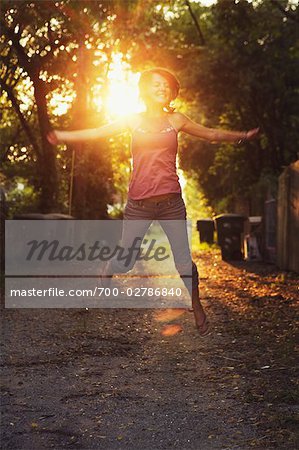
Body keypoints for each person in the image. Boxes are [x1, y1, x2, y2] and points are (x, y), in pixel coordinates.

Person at [47, 67, 259, 336]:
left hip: (171, 203)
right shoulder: (131, 120)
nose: (162, 88)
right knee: (125, 261)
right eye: (156, 84)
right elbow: (98, 132)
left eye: (166, 86)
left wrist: (242, 135)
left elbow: (212, 134)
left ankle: (196, 305)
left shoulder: (177, 120)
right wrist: (63, 136)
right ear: (145, 89)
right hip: (139, 205)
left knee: (183, 262)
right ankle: (108, 268)